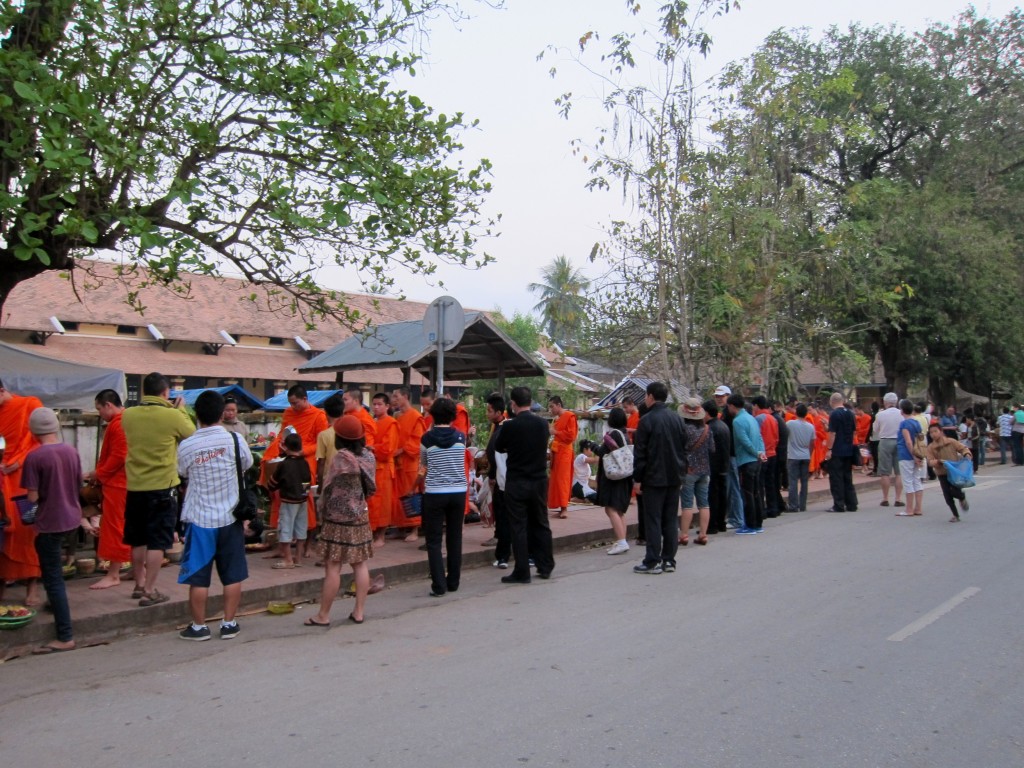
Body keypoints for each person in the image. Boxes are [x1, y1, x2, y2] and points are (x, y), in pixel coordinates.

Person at [175, 390, 252, 641]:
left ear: (197, 415)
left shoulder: (187, 445)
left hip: (200, 520)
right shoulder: (235, 440)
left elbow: (182, 472)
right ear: (221, 414)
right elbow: (247, 464)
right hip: (231, 517)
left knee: (198, 577)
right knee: (233, 575)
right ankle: (229, 623)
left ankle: (199, 627)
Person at [121, 371, 196, 607]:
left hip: (135, 485)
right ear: (166, 393)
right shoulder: (172, 415)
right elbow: (191, 435)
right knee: (157, 541)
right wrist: (180, 409)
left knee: (138, 538)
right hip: (162, 486)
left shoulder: (128, 415)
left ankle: (139, 583)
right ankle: (150, 590)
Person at [21, 407, 82, 654]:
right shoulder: (71, 452)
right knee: (56, 569)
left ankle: (65, 636)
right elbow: (78, 484)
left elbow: (33, 497)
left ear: (34, 431)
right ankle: (54, 605)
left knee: (53, 578)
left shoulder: (35, 458)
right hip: (72, 518)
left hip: (50, 521)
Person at [305, 414, 376, 627]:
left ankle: (323, 615)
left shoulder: (341, 459)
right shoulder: (369, 456)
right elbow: (371, 487)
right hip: (360, 516)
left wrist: (321, 508)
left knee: (333, 567)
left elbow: (327, 488)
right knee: (360, 564)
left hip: (337, 520)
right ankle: (359, 611)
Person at [493, 386, 555, 583]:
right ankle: (545, 565)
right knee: (541, 522)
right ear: (530, 401)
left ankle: (522, 570)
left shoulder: (509, 426)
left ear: (513, 404)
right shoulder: (543, 424)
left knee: (518, 526)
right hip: (538, 480)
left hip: (517, 481)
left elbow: (499, 446)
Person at [259, 385, 327, 546]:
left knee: (305, 498)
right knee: (279, 497)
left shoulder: (318, 416)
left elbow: (320, 443)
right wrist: (275, 451)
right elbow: (282, 435)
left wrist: (302, 451)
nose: (292, 407)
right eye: (290, 403)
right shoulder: (289, 413)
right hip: (287, 459)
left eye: (295, 403)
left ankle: (306, 544)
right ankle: (282, 544)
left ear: (305, 399)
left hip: (305, 462)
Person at [631, 381, 688, 573]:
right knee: (670, 519)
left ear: (650, 397)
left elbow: (640, 454)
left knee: (653, 519)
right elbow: (683, 448)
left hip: (653, 477)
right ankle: (669, 560)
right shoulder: (678, 419)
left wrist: (638, 479)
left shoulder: (646, 421)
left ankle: (652, 560)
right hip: (674, 476)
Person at [418, 397, 468, 597]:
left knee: (434, 540)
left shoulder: (426, 439)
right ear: (453, 416)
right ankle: (453, 582)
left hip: (435, 493)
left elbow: (424, 463)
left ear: (432, 415)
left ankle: (439, 585)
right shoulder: (461, 437)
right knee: (455, 537)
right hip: (458, 492)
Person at [0, 378, 43, 606]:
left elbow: (42, 441)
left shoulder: (29, 405)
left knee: (28, 531)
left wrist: (18, 461)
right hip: (1, 481)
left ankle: (32, 586)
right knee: (3, 534)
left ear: (2, 391)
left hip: (25, 482)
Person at [87, 389, 132, 590]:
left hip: (119, 483)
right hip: (124, 482)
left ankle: (114, 574)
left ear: (108, 405)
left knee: (115, 527)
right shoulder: (123, 421)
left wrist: (99, 474)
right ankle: (139, 569)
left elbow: (120, 455)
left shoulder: (121, 423)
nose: (99, 414)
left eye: (99, 409)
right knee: (128, 526)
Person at [267, 433, 311, 568]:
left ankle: (288, 559)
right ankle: (298, 558)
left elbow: (272, 483)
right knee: (301, 529)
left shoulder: (284, 464)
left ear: (285, 447)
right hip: (302, 500)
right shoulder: (304, 462)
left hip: (288, 500)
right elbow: (308, 481)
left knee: (285, 529)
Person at [594, 408, 632, 555]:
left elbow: (603, 451)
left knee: (610, 508)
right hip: (625, 475)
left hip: (614, 477)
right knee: (619, 509)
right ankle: (621, 540)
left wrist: (592, 446)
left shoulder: (614, 434)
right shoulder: (624, 434)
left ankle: (621, 541)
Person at [728, 393, 767, 534]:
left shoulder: (737, 421)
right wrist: (761, 451)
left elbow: (744, 441)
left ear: (732, 406)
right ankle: (757, 523)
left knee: (748, 494)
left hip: (746, 460)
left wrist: (756, 452)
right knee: (756, 492)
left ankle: (750, 524)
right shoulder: (751, 418)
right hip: (756, 460)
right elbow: (759, 437)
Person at [678, 398, 713, 547]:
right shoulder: (707, 429)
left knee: (687, 505)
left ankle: (684, 535)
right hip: (704, 470)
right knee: (704, 504)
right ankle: (703, 534)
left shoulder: (684, 430)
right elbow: (712, 449)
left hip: (689, 470)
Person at [391, 387, 425, 541]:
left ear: (405, 397)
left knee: (411, 493)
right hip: (396, 463)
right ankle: (400, 527)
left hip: (410, 462)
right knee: (397, 496)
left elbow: (418, 440)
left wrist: (402, 450)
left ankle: (414, 530)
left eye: (396, 396)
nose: (393, 399)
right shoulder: (397, 416)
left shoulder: (416, 416)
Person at [484, 393, 511, 566]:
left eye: (489, 411)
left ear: (500, 412)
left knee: (503, 516)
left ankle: (503, 555)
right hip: (498, 477)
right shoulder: (497, 427)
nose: (487, 414)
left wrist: (493, 475)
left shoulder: (505, 428)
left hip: (504, 478)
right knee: (501, 515)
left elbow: (499, 455)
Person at [925, 423, 972, 523]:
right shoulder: (930, 447)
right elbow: (929, 461)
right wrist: (937, 462)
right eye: (931, 432)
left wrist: (966, 454)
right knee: (947, 496)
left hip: (954, 472)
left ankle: (962, 497)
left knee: (954, 491)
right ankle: (955, 515)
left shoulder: (951, 442)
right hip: (942, 473)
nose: (933, 434)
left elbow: (962, 448)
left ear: (941, 431)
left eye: (935, 431)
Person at [370, 392, 398, 547]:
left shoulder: (391, 423)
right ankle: (373, 533)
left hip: (385, 468)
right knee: (372, 502)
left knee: (384, 503)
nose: (376, 407)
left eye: (379, 404)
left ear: (387, 406)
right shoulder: (372, 422)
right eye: (374, 404)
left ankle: (381, 535)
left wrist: (371, 448)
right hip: (372, 467)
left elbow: (388, 449)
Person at [824, 392, 858, 513]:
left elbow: (833, 433)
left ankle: (838, 504)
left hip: (838, 450)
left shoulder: (834, 414)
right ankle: (852, 503)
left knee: (836, 478)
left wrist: (829, 449)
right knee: (847, 477)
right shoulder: (850, 413)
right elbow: (854, 431)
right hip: (848, 449)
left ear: (832, 401)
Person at [546, 396, 578, 519]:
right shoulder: (556, 420)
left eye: (552, 406)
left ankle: (564, 508)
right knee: (556, 480)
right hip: (556, 452)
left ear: (559, 405)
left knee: (563, 480)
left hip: (565, 452)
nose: (551, 409)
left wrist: (556, 433)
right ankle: (560, 506)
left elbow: (571, 436)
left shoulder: (570, 416)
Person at [872, 392, 905, 507]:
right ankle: (898, 498)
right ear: (896, 402)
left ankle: (885, 498)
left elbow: (875, 429)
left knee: (885, 472)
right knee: (899, 472)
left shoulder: (880, 414)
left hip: (885, 441)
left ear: (885, 402)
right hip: (900, 441)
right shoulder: (902, 414)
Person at [703, 400, 731, 535]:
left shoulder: (710, 428)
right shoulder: (723, 425)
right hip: (724, 465)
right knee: (721, 495)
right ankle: (721, 523)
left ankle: (712, 524)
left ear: (707, 413)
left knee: (712, 496)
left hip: (713, 466)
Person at [896, 399, 924, 517]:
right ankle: (918, 508)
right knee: (917, 480)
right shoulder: (916, 422)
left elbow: (908, 442)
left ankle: (909, 509)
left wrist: (912, 455)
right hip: (917, 453)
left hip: (906, 454)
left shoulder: (904, 424)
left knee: (908, 481)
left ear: (902, 410)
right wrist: (918, 456)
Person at [752, 396, 779, 518]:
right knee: (771, 483)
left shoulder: (758, 419)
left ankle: (762, 510)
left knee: (760, 483)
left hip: (763, 454)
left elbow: (756, 436)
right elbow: (777, 437)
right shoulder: (773, 419)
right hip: (773, 453)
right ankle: (773, 509)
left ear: (756, 406)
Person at [786, 404, 815, 512]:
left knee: (793, 481)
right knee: (804, 481)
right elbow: (812, 443)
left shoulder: (790, 424)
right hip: (805, 455)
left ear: (796, 412)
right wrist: (809, 453)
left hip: (793, 456)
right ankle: (802, 505)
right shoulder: (810, 426)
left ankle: (793, 505)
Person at [314, 393, 345, 488]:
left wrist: (320, 485)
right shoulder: (349, 431)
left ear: (325, 413)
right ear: (343, 412)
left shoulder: (323, 435)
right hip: (347, 477)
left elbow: (321, 462)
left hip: (329, 479)